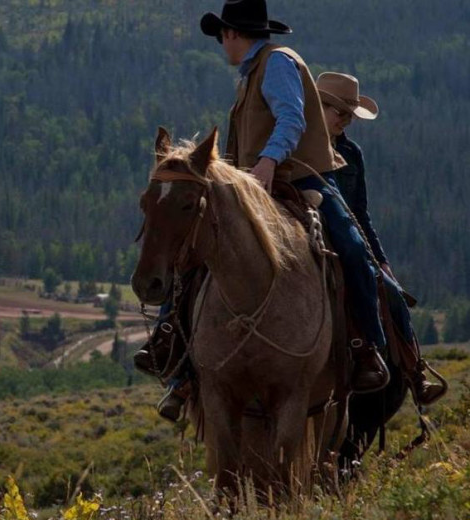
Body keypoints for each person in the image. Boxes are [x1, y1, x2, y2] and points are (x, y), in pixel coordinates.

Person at [138, 0, 391, 422]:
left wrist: (270, 161)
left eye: (223, 37)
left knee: (351, 247)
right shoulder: (249, 76)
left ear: (233, 34)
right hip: (251, 186)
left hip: (301, 177)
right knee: (197, 249)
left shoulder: (276, 64)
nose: (222, 45)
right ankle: (173, 349)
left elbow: (290, 118)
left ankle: (367, 348)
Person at [316, 72, 446, 404]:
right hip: (309, 235)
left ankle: (415, 372)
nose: (345, 121)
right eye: (339, 112)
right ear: (320, 106)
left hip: (350, 237)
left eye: (349, 115)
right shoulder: (297, 142)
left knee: (392, 294)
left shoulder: (352, 153)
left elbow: (360, 211)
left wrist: (382, 259)